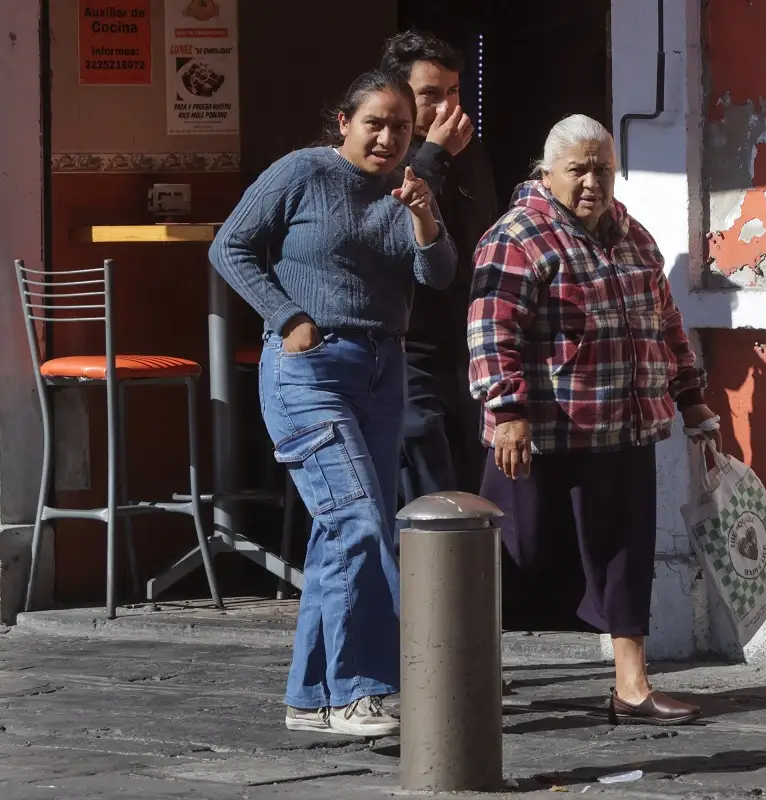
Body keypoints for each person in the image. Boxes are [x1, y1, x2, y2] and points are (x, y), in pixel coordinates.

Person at [209, 69, 456, 736]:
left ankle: (311, 697)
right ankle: (361, 691)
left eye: (401, 128)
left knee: (338, 532)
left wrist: (425, 216)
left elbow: (438, 275)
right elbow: (229, 246)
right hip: (309, 371)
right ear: (343, 122)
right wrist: (287, 315)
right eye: (374, 122)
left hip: (384, 371)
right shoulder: (301, 173)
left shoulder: (407, 190)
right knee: (356, 523)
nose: (386, 137)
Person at [468, 114, 719, 725]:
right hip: (540, 433)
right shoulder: (518, 236)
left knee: (625, 556)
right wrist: (506, 412)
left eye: (602, 168)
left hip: (623, 426)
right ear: (547, 172)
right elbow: (490, 329)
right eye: (577, 169)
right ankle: (466, 675)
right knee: (512, 554)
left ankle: (632, 687)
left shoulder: (634, 237)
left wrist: (693, 401)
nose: (591, 181)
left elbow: (666, 326)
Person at [381, 30, 499, 503]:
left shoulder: (470, 156)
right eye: (430, 95)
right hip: (411, 352)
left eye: (453, 92)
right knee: (425, 493)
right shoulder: (383, 155)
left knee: (474, 489)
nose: (446, 108)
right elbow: (393, 233)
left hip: (468, 347)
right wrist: (432, 155)